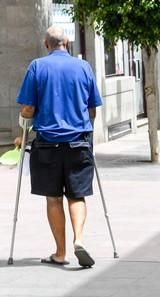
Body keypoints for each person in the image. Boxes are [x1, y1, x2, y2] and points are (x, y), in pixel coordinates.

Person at [16, 25, 102, 268]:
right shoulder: (84, 67)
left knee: (53, 198)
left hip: (47, 144)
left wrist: (23, 121)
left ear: (46, 45)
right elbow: (93, 109)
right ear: (68, 43)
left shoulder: (37, 67)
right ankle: (80, 239)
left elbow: (29, 109)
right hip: (79, 142)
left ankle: (61, 252)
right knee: (77, 195)